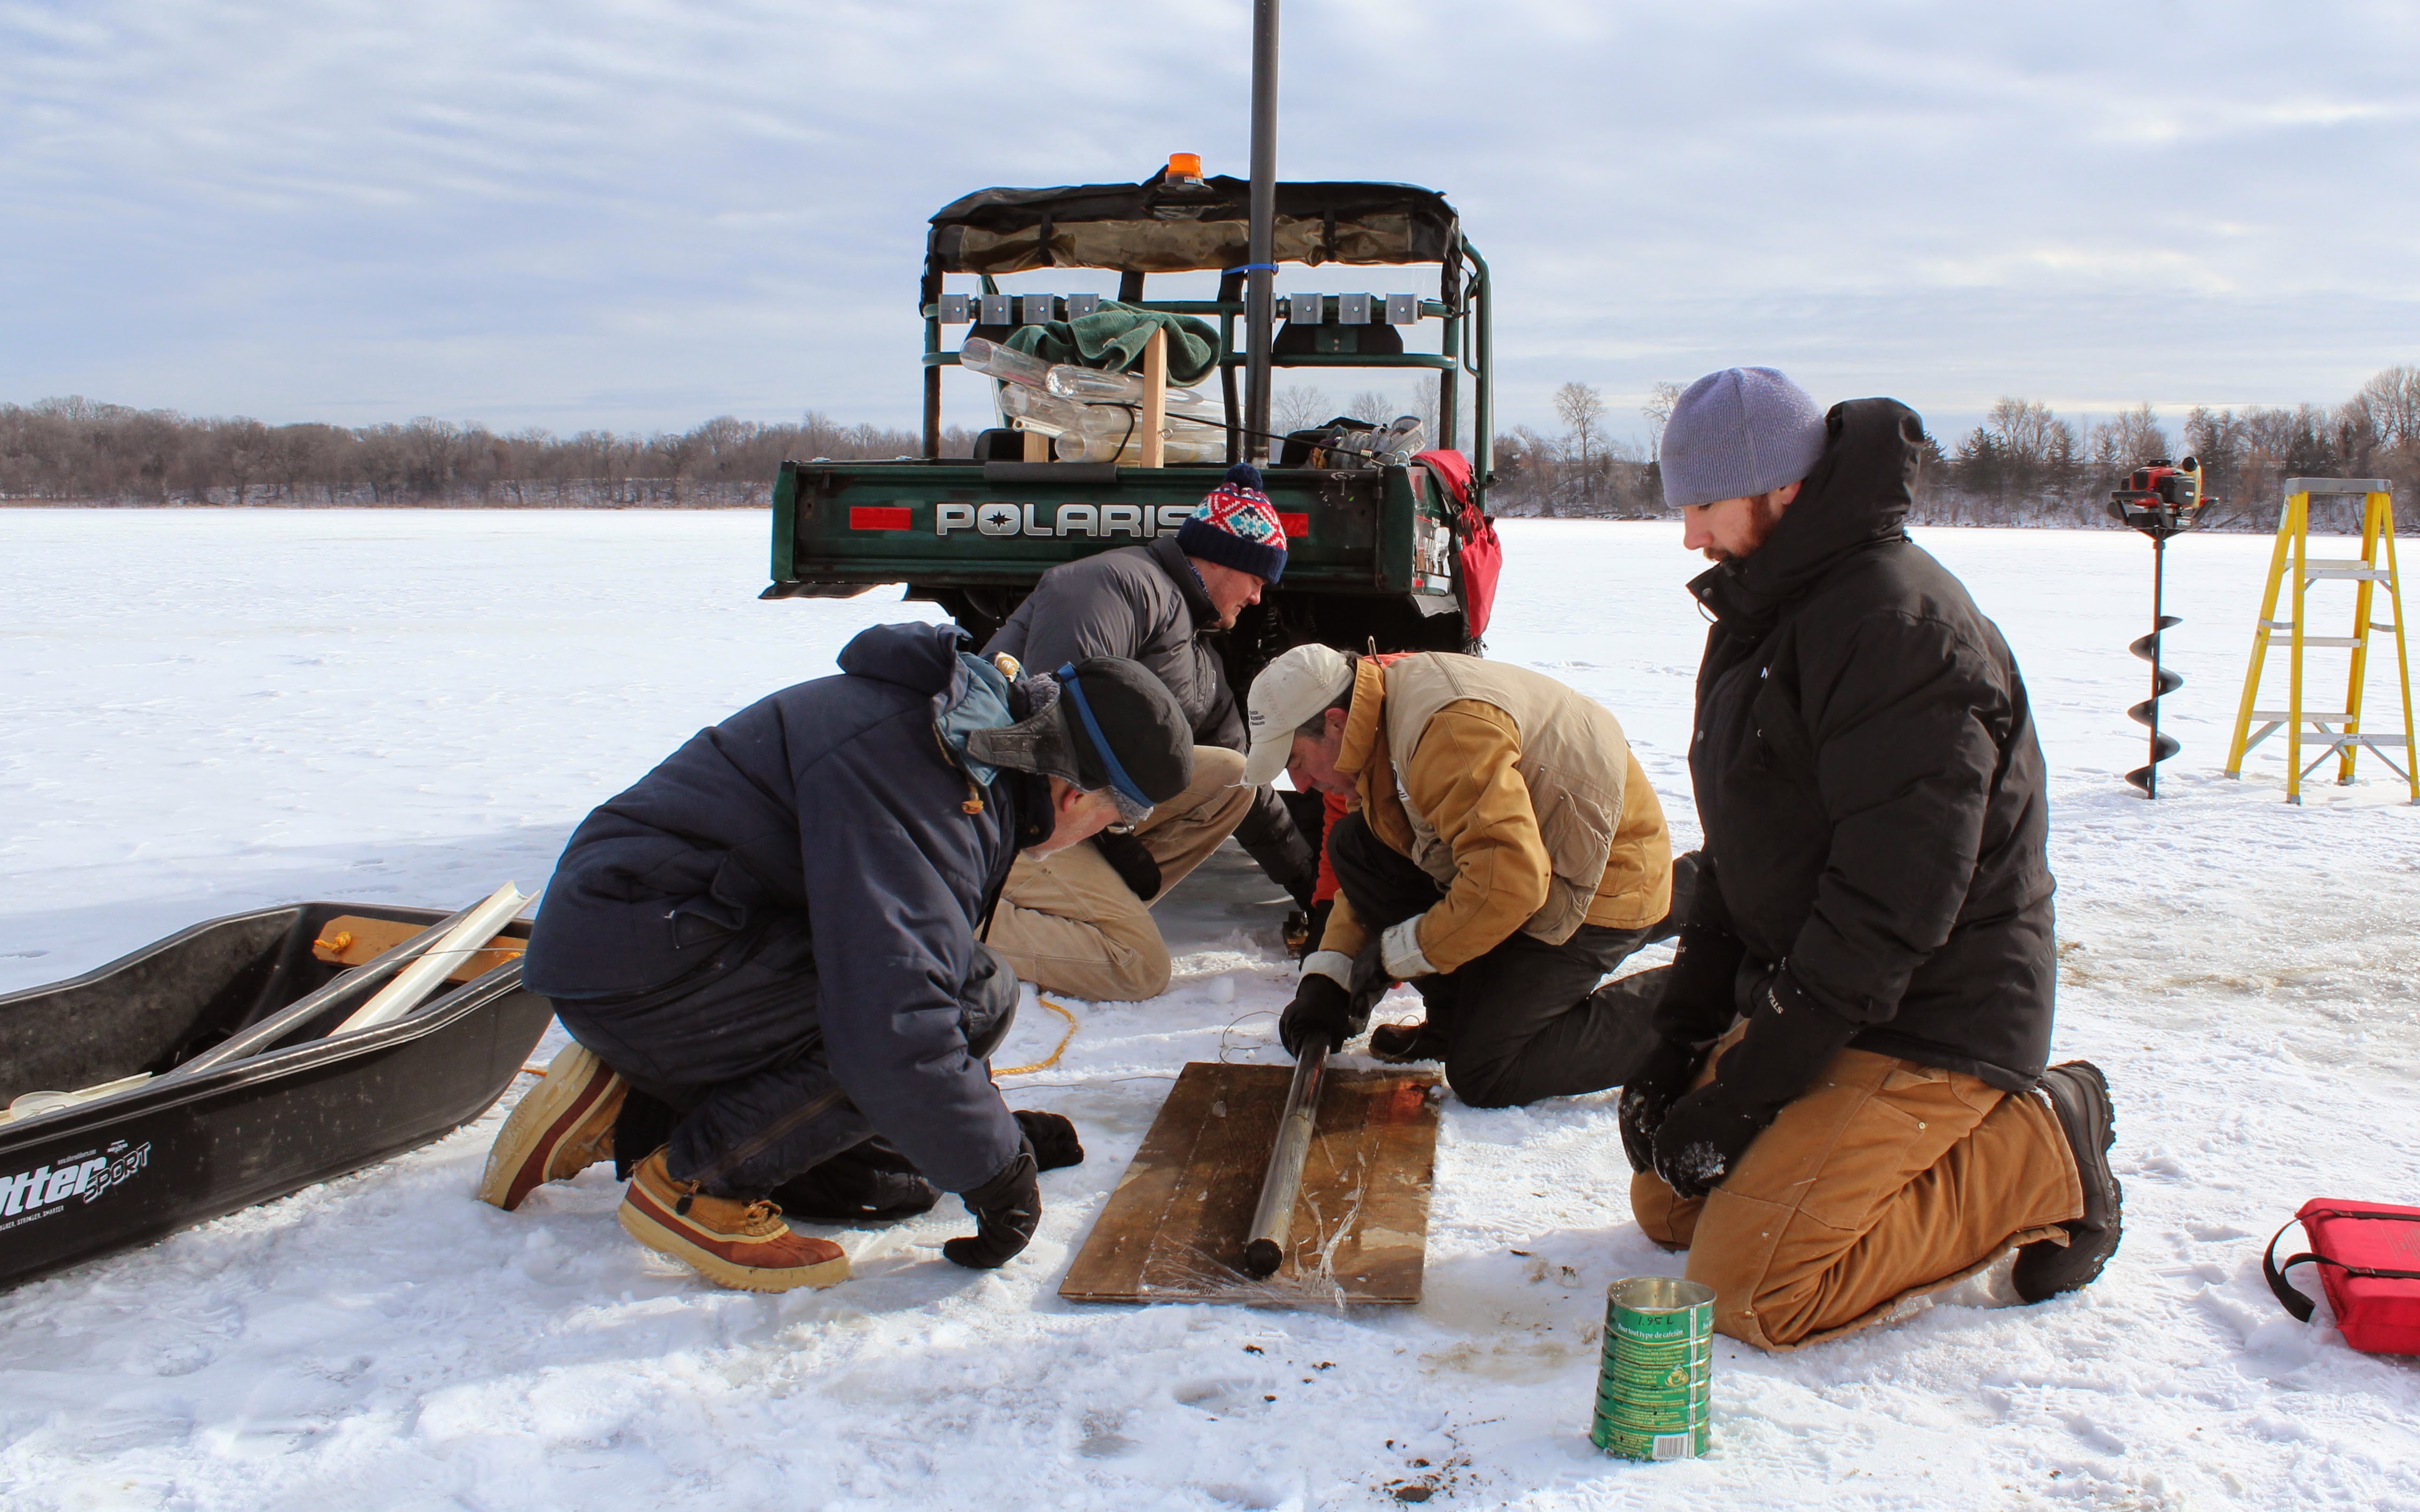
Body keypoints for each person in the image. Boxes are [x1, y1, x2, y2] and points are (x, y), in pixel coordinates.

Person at [1621, 366, 2120, 1352]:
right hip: (1839, 993)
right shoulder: (1768, 614)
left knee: (1752, 1289)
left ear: (1783, 490)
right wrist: (1677, 1043)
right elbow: (1741, 854)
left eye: (1704, 506)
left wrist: (1751, 1088)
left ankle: (2041, 1146)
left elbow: (1890, 907)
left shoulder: (1895, 628)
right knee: (1667, 1205)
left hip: (1932, 1014)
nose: (1689, 536)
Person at [478, 622, 1195, 1291]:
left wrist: (987, 1134)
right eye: (1120, 817)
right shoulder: (931, 783)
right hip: (646, 956)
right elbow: (899, 1022)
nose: (1112, 833)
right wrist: (996, 1172)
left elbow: (920, 974)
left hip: (670, 940)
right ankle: (697, 1183)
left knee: (892, 1181)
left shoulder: (965, 749)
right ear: (1075, 793)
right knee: (972, 1009)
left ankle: (643, 1103)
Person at [1258, 642, 1675, 1107]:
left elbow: (1509, 886)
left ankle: (1710, 995)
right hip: (1536, 866)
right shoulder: (1376, 726)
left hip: (1599, 884)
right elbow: (1386, 853)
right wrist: (1329, 977)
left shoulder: (1443, 733)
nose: (1297, 785)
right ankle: (1457, 1016)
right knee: (1357, 846)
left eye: (1295, 762)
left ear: (1334, 723)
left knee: (1488, 1070)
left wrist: (1395, 955)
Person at [981, 463, 1322, 1002]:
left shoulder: (1195, 647)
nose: (1259, 598)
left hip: (1073, 814)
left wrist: (1313, 890)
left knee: (1233, 775)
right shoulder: (1114, 586)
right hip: (1008, 815)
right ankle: (955, 912)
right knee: (1138, 967)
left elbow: (1248, 781)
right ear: (1223, 558)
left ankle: (1088, 909)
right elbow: (1048, 735)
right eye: (1257, 579)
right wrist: (1118, 842)